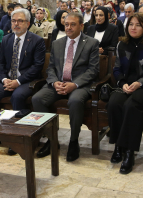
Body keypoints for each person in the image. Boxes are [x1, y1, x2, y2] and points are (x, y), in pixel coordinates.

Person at [32, 12, 99, 161]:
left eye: (73, 24)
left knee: (74, 101)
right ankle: (52, 140)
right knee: (37, 99)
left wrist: (74, 84)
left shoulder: (91, 43)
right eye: (66, 24)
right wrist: (54, 82)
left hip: (80, 85)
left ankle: (74, 141)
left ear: (81, 26)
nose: (68, 27)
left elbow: (93, 70)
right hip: (59, 83)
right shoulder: (57, 43)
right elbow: (50, 68)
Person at [0, 9, 46, 154]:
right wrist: (4, 79)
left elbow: (36, 67)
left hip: (27, 81)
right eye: (13, 21)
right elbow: (1, 63)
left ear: (27, 23)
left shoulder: (37, 40)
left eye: (20, 21)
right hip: (7, 79)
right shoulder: (7, 39)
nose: (16, 24)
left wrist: (18, 81)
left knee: (17, 96)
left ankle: (19, 138)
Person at [107, 13, 143, 174]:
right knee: (114, 103)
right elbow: (117, 68)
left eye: (138, 25)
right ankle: (118, 145)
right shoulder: (122, 44)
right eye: (130, 24)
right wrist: (123, 84)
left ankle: (130, 151)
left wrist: (140, 83)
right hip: (126, 84)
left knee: (132, 106)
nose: (133, 27)